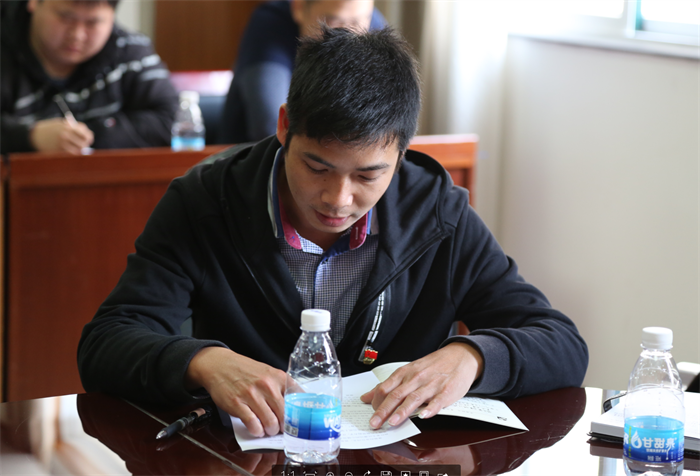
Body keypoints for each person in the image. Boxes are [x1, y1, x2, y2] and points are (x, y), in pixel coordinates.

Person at [78, 26, 588, 440]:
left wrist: (472, 357)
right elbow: (105, 343)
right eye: (317, 167)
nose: (338, 199)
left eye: (368, 176)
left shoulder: (436, 214)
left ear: (401, 154)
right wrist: (204, 362)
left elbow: (561, 343)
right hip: (247, 459)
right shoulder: (206, 202)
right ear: (284, 126)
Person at [0, 0, 179, 155]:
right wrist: (29, 137)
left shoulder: (130, 51)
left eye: (93, 22)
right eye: (64, 17)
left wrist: (85, 136)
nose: (77, 35)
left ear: (112, 16)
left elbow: (173, 121)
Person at [217, 0, 386, 144]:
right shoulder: (270, 23)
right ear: (298, 7)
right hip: (255, 162)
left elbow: (388, 122)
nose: (347, 36)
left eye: (357, 22)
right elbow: (271, 125)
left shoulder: (366, 21)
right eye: (333, 22)